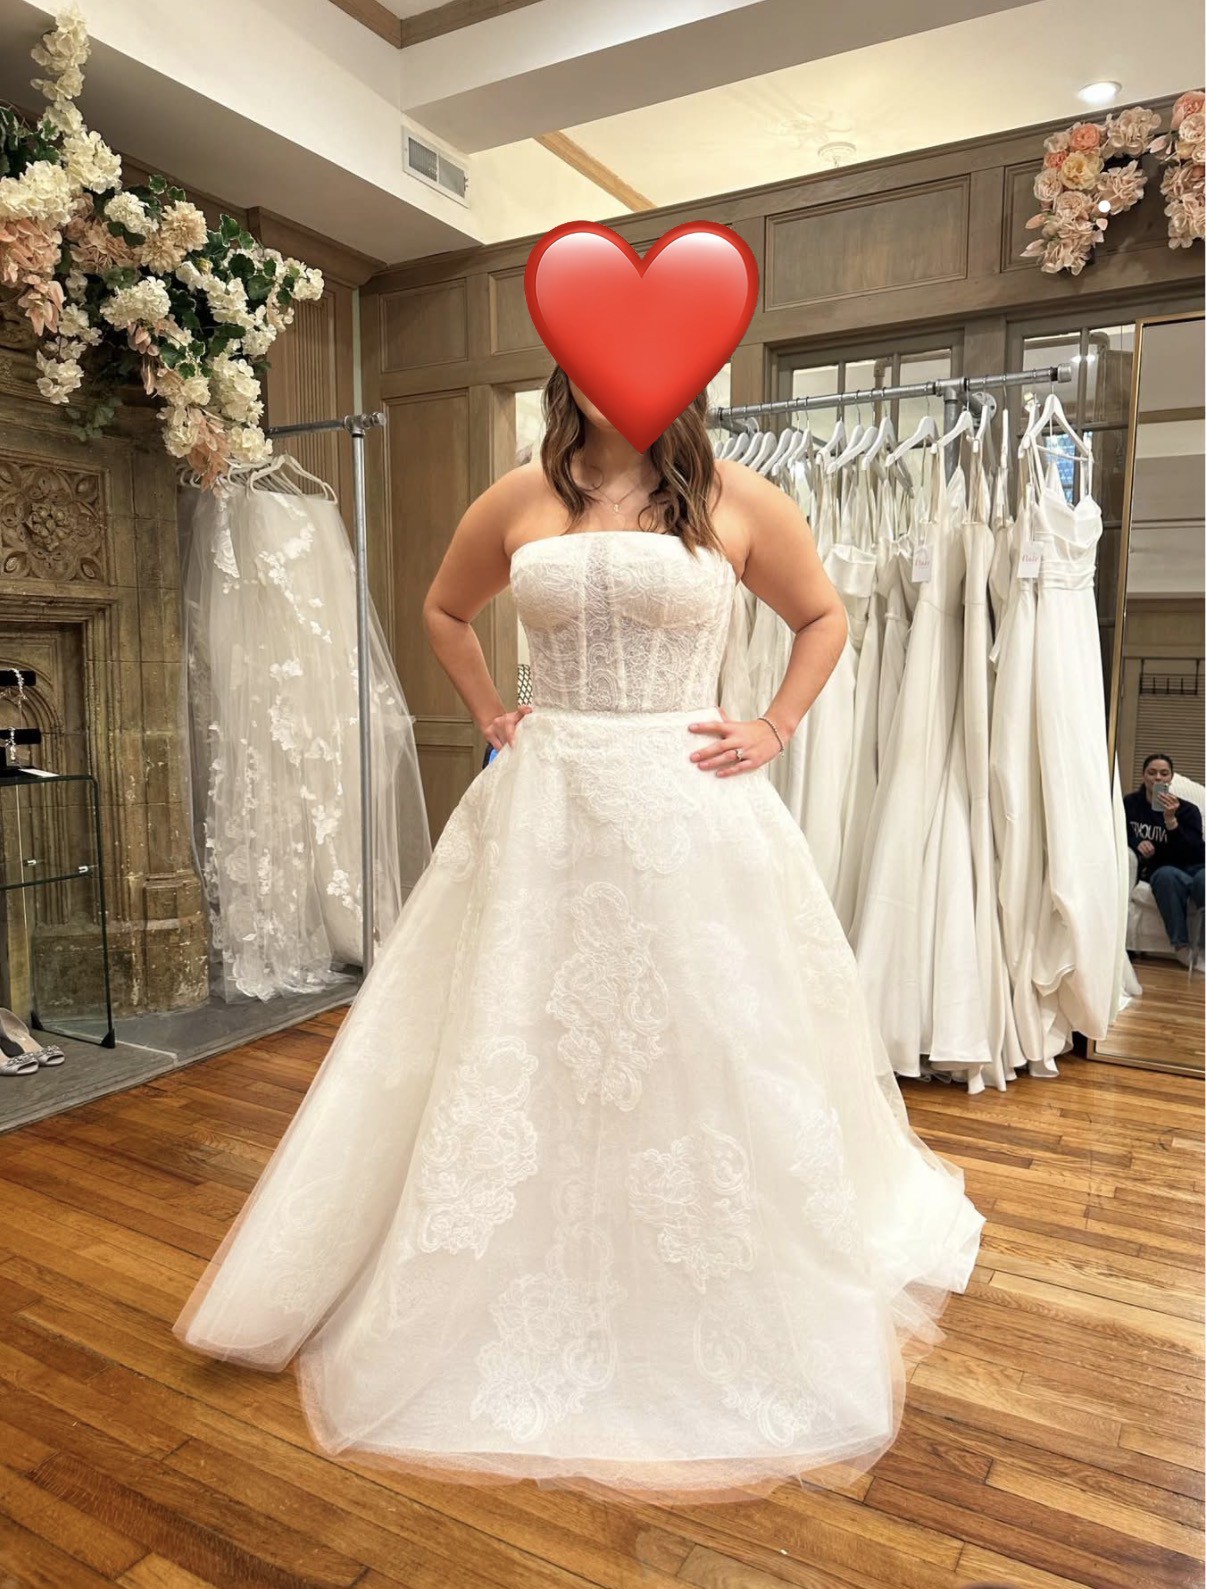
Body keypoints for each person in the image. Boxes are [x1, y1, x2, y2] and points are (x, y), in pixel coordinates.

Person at [173, 368, 984, 1507]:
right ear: (570, 374)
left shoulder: (736, 497)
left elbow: (823, 616)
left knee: (704, 1040)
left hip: (688, 804)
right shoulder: (520, 496)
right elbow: (444, 609)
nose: (623, 382)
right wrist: (489, 713)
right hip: (545, 804)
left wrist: (775, 723)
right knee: (516, 1028)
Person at [1124, 753, 1205, 966]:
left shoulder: (1187, 810)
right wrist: (1136, 843)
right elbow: (1119, 832)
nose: (1158, 778)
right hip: (1164, 868)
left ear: (1171, 778)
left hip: (1196, 866)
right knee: (1165, 877)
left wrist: (1171, 822)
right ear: (1144, 776)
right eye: (1152, 773)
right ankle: (1181, 947)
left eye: (1164, 773)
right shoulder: (1131, 804)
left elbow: (1195, 851)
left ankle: (1203, 948)